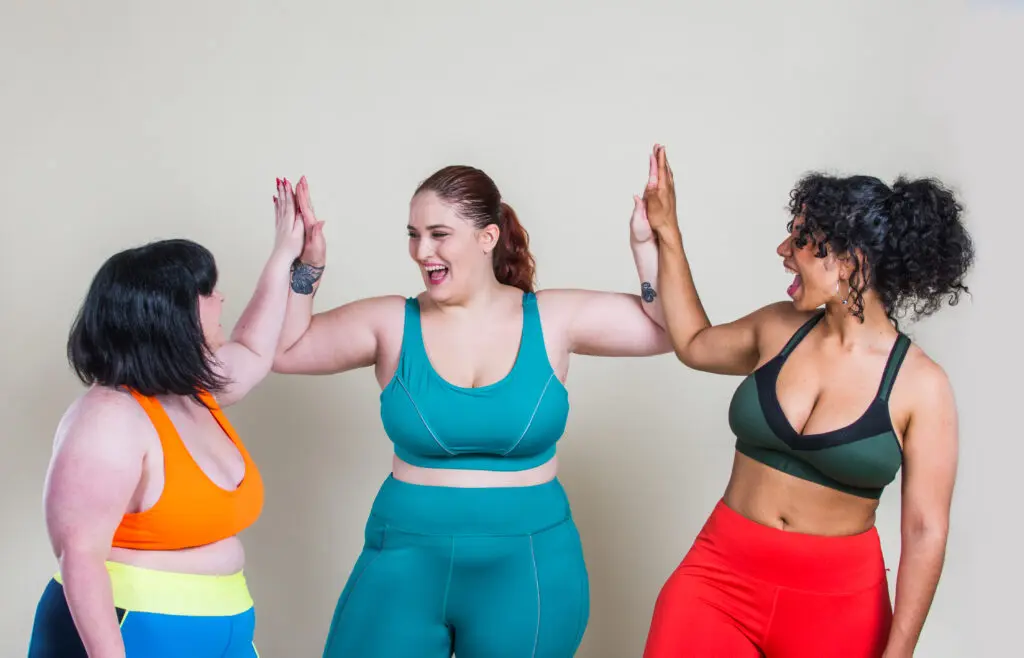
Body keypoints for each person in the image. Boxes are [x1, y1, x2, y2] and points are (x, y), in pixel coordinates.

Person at [272, 163, 672, 657]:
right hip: (403, 558)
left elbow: (665, 330)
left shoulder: (551, 318)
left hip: (529, 565)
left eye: (439, 234)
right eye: (414, 235)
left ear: (487, 238)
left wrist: (647, 248)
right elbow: (285, 350)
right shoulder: (391, 321)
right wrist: (305, 266)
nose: (422, 252)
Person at [638, 145, 974, 658]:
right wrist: (668, 231)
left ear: (848, 261)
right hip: (719, 578)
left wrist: (899, 652)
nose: (782, 249)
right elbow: (693, 342)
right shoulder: (777, 327)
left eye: (800, 239)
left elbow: (925, 529)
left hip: (836, 605)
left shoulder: (920, 385)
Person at [27, 179, 306, 658]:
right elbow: (80, 555)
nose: (221, 302)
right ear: (172, 315)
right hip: (130, 633)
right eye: (210, 293)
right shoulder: (108, 419)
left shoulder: (194, 392)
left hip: (224, 630)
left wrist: (285, 254)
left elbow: (256, 348)